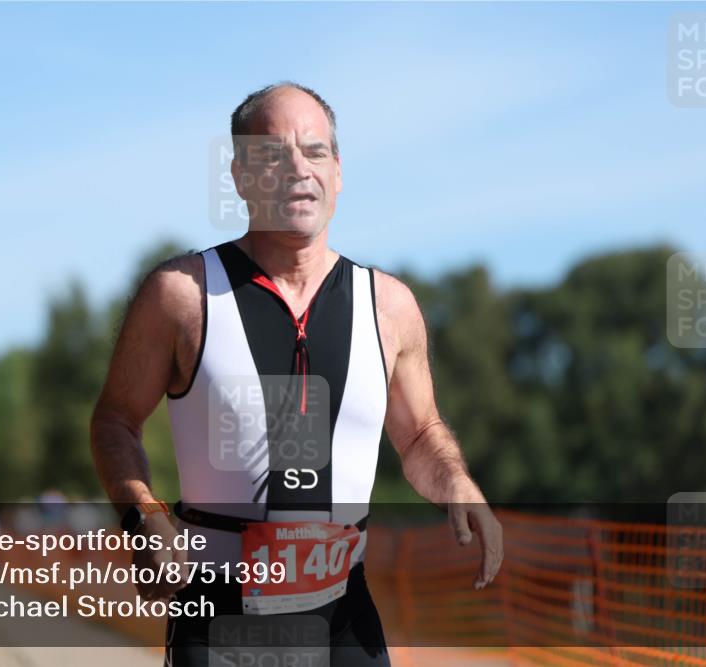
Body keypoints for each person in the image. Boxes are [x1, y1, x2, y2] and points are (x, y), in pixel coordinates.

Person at [90, 81, 504, 666]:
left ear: (338, 171)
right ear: (239, 177)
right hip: (219, 619)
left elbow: (418, 434)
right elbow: (115, 420)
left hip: (343, 617)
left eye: (315, 151)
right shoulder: (181, 295)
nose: (297, 169)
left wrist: (457, 481)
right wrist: (143, 514)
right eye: (272, 155)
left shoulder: (388, 307)